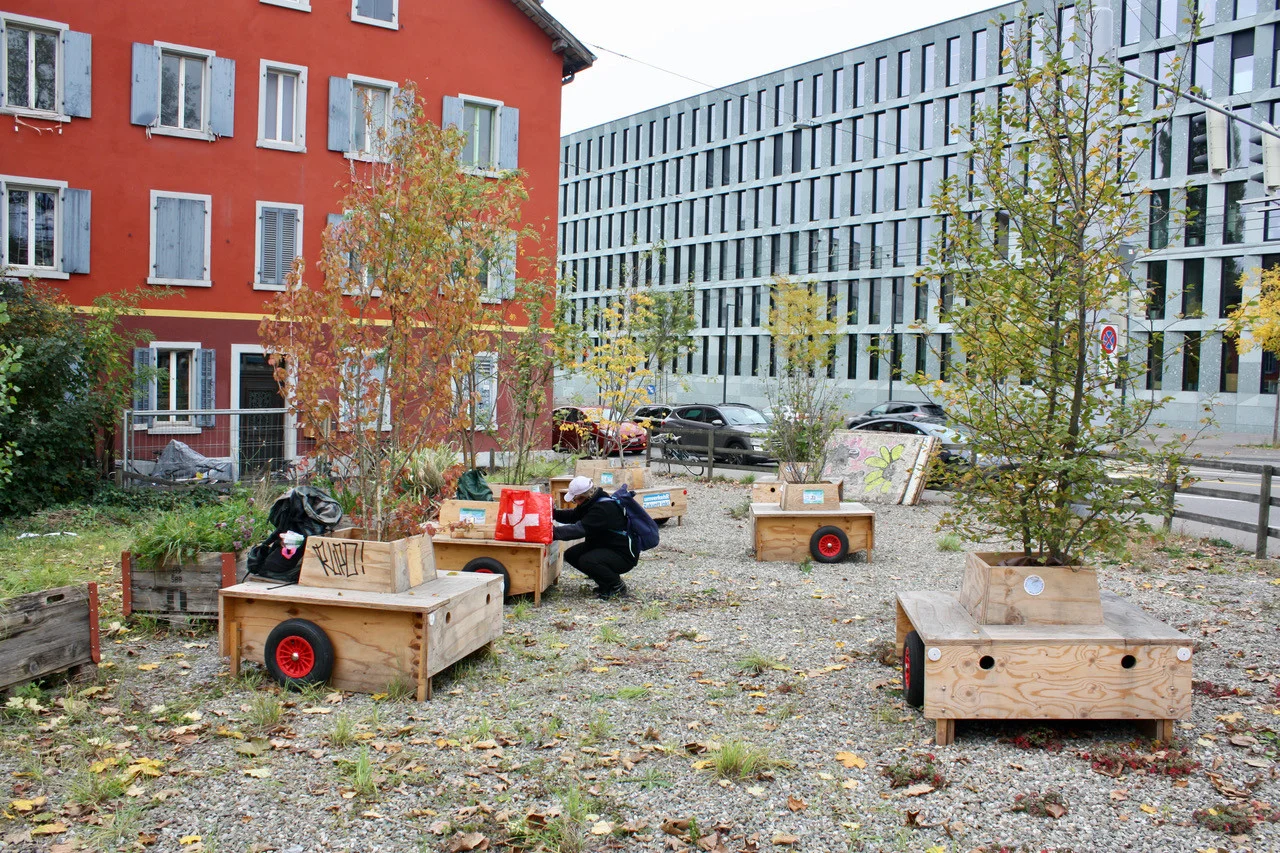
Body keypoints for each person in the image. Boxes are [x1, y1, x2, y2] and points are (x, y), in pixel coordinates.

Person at [553, 475, 636, 599]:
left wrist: (551, 532)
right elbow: (573, 516)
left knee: (587, 560)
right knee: (571, 554)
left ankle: (616, 586)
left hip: (623, 555)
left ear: (584, 496)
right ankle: (604, 583)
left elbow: (579, 530)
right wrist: (552, 513)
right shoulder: (592, 502)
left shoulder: (602, 509)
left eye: (575, 500)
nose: (575, 503)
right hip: (607, 546)